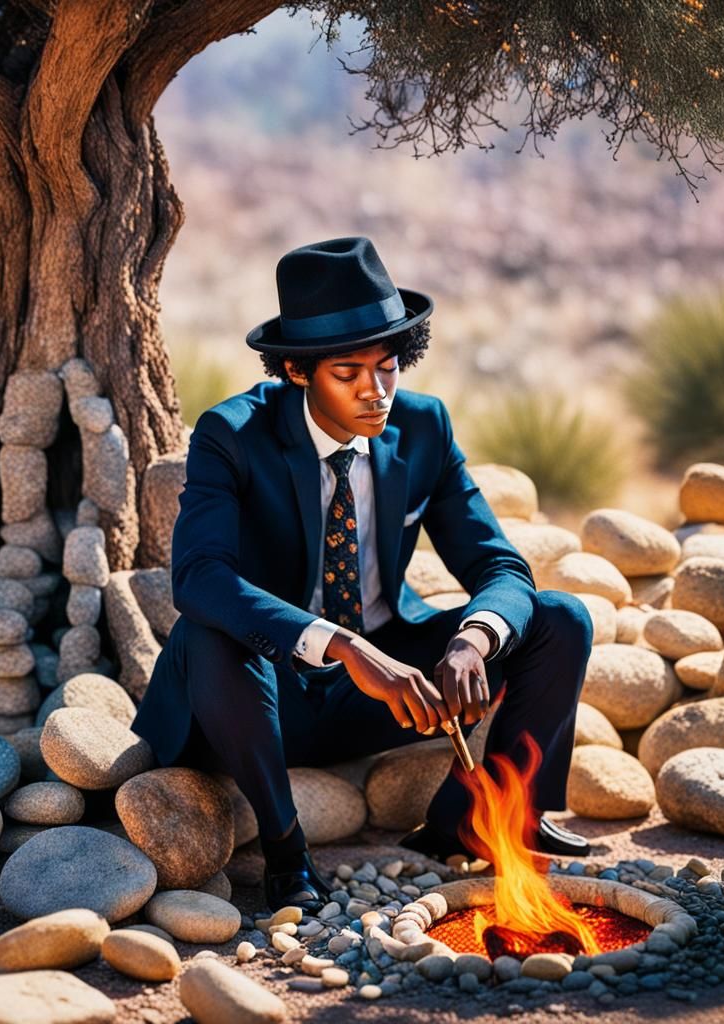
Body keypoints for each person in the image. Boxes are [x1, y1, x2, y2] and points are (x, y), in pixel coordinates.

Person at [131, 236, 594, 912]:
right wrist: (344, 647)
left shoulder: (423, 426)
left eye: (387, 368)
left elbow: (498, 564)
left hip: (387, 696)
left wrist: (473, 640)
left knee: (559, 619)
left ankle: (483, 818)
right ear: (296, 371)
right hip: (263, 697)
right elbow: (199, 576)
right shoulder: (232, 435)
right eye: (348, 373)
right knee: (212, 633)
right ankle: (288, 854)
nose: (375, 392)